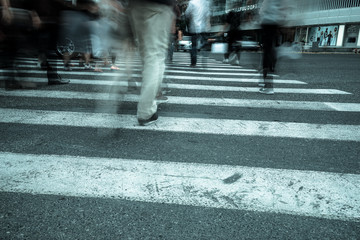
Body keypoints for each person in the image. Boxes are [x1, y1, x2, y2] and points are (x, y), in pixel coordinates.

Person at [128, 0, 175, 126]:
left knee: (146, 55)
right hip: (158, 5)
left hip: (135, 6)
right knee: (155, 57)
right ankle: (146, 111)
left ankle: (148, 101)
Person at [258, 0, 289, 95]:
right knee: (272, 51)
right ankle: (268, 80)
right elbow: (283, 7)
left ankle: (267, 84)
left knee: (267, 54)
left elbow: (263, 10)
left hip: (267, 22)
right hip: (276, 23)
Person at [184, 0, 211, 67]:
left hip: (194, 28)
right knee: (204, 44)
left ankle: (193, 63)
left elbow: (187, 13)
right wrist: (208, 24)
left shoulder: (192, 2)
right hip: (203, 28)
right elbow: (208, 14)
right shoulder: (206, 2)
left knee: (194, 46)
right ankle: (204, 61)